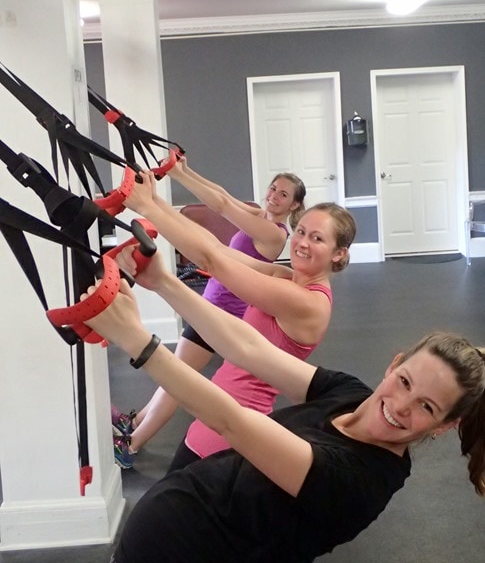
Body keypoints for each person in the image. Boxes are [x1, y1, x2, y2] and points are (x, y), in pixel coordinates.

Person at [59, 251, 485, 563]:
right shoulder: (350, 395)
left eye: (426, 407)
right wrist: (164, 282)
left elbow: (232, 422)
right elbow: (249, 347)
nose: (401, 405)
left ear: (445, 426)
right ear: (395, 364)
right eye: (405, 381)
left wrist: (137, 340)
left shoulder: (361, 482)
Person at [115, 170, 355, 470]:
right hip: (220, 413)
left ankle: (132, 442)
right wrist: (155, 202)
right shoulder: (286, 276)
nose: (302, 243)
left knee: (173, 496)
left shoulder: (306, 302)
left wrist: (146, 208)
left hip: (233, 426)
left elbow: (212, 261)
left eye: (317, 238)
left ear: (338, 253)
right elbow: (216, 248)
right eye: (302, 232)